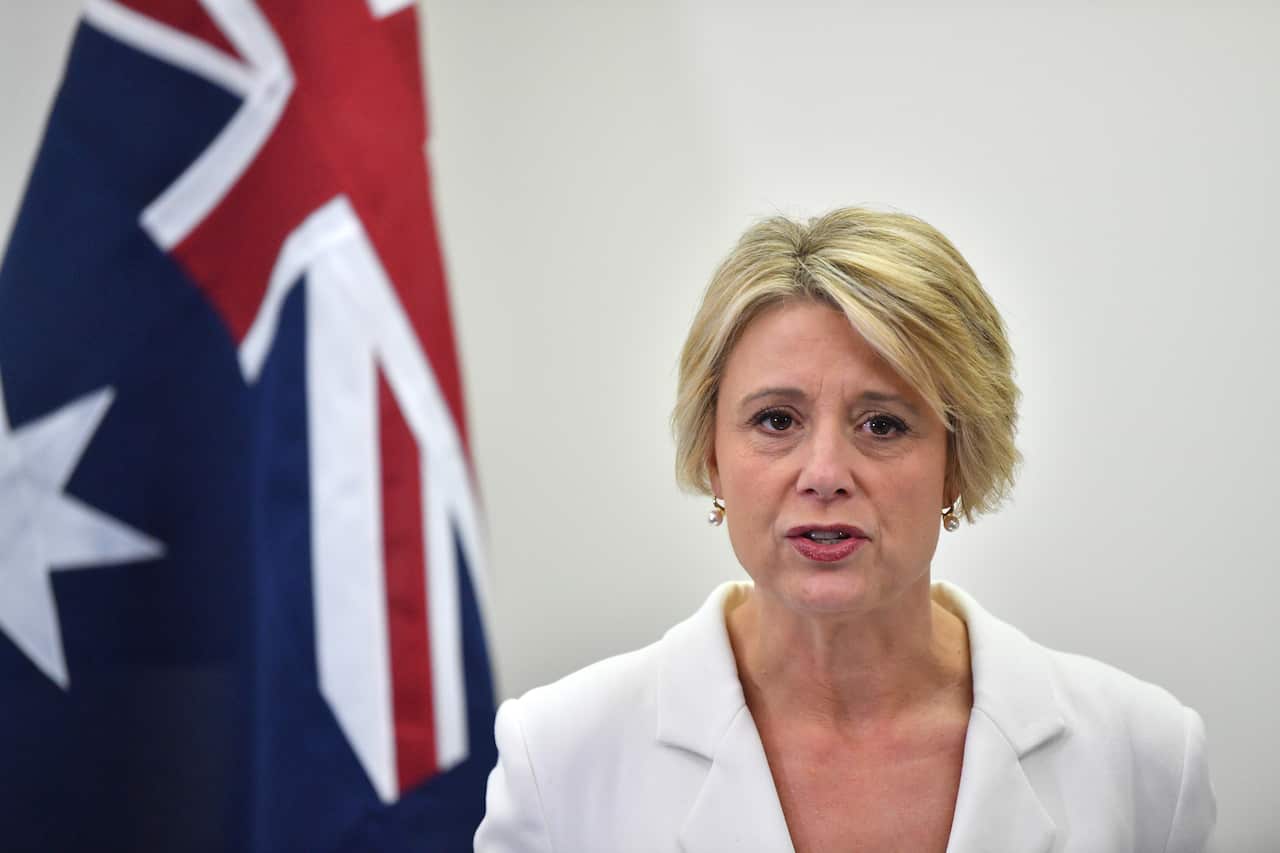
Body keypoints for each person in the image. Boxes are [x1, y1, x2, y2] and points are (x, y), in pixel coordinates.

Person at [473, 208, 1216, 852]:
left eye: (883, 423)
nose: (825, 471)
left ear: (958, 461)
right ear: (711, 456)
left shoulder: (1143, 755)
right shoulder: (559, 756)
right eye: (776, 420)